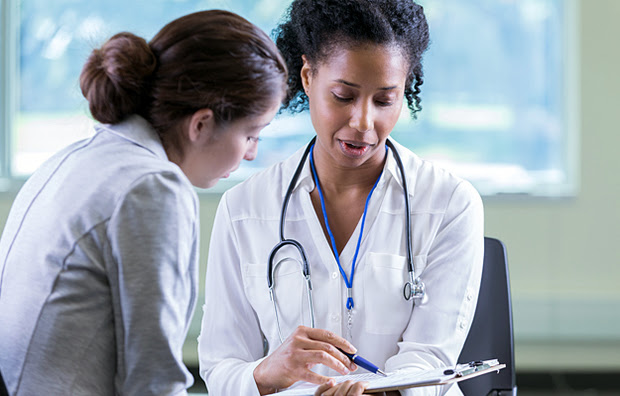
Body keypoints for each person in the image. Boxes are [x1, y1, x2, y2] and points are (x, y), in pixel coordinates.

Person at [198, 1, 483, 395]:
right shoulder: (244, 209)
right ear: (308, 76)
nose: (363, 122)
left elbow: (430, 361)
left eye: (384, 100)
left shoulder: (450, 203)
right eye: (344, 96)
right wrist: (267, 371)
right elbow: (221, 367)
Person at [0, 10, 287, 396]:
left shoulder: (78, 156)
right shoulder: (153, 188)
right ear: (200, 124)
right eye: (252, 135)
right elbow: (154, 381)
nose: (251, 154)